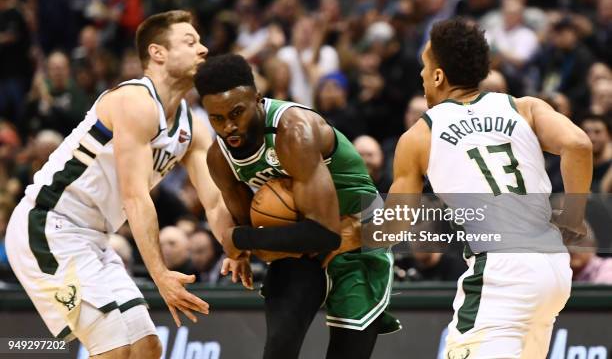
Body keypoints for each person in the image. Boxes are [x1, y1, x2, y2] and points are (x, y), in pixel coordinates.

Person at [5, 10, 250, 358]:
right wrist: (160, 274)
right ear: (157, 53)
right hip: (49, 227)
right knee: (116, 349)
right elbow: (136, 197)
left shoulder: (191, 125)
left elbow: (213, 202)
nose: (204, 49)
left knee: (147, 348)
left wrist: (234, 247)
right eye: (190, 41)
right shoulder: (134, 101)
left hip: (95, 239)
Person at [390, 19, 592, 358]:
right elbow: (579, 145)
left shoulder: (419, 135)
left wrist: (345, 232)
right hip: (553, 267)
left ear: (438, 76)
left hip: (502, 270)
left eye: (425, 68)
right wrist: (573, 218)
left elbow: (395, 224)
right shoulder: (524, 107)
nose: (422, 76)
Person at [194, 53, 400, 359]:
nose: (229, 127)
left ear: (258, 99)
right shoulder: (219, 158)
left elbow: (326, 234)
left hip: (355, 231)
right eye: (217, 118)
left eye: (237, 113)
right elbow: (250, 226)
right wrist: (242, 249)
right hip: (301, 239)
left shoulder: (293, 130)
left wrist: (239, 240)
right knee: (278, 351)